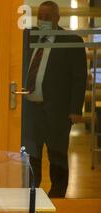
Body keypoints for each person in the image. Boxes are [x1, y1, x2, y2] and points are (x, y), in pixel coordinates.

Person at [24, 1, 87, 198]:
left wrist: (75, 109)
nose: (42, 21)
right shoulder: (29, 37)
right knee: (31, 154)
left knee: (57, 154)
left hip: (57, 111)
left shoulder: (71, 41)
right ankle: (30, 193)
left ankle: (58, 195)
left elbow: (79, 78)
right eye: (39, 16)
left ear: (57, 19)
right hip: (31, 109)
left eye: (47, 17)